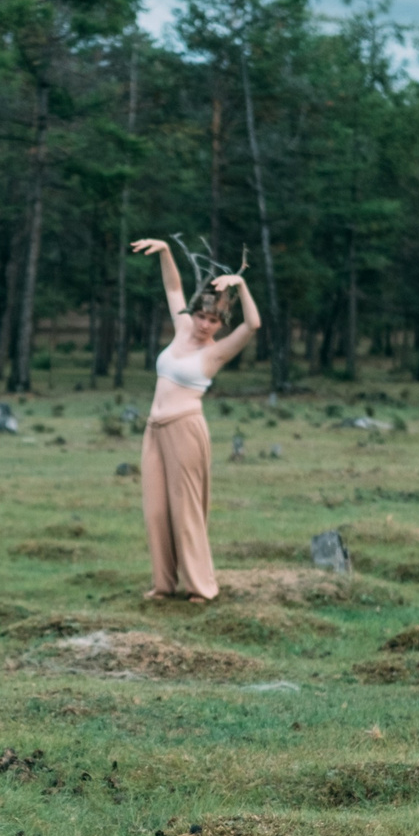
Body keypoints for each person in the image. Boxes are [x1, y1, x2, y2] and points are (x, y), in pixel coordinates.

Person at [130, 236, 261, 601]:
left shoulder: (216, 353)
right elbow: (173, 286)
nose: (206, 324)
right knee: (156, 510)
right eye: (202, 316)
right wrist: (166, 251)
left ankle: (201, 587)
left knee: (186, 510)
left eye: (215, 320)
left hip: (185, 429)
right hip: (153, 430)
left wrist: (242, 284)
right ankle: (163, 584)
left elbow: (253, 325)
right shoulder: (182, 328)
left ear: (221, 323)